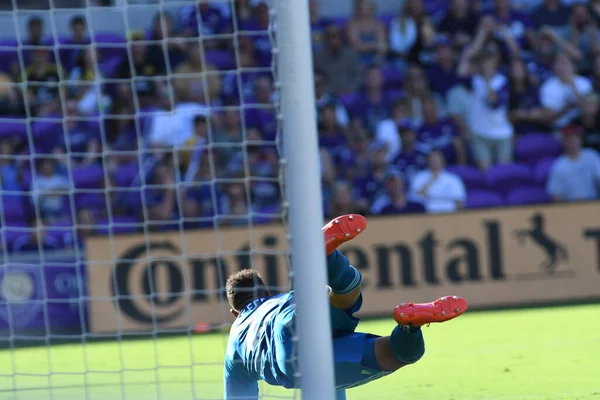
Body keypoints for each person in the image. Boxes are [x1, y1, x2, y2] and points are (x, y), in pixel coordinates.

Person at [224, 213, 468, 399]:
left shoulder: (236, 338)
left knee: (395, 355)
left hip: (285, 354)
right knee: (344, 297)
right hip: (295, 307)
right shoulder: (276, 299)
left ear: (235, 313)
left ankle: (409, 327)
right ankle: (329, 259)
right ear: (266, 291)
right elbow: (333, 385)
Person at [546, 125, 600, 202]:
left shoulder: (591, 156)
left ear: (580, 140)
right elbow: (556, 195)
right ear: (563, 142)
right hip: (570, 205)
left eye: (575, 139)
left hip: (593, 203)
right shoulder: (559, 166)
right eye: (569, 140)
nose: (572, 142)